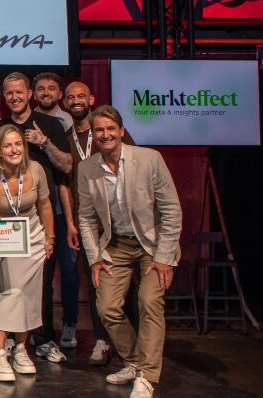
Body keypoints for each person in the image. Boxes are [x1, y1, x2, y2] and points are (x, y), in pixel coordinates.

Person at [78, 106, 180, 398]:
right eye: (99, 130)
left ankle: (147, 375)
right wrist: (94, 258)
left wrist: (164, 257)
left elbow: (171, 210)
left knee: (149, 301)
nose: (105, 135)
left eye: (111, 129)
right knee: (107, 307)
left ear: (121, 131)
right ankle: (134, 362)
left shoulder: (150, 159)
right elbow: (86, 218)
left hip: (152, 245)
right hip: (116, 245)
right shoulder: (87, 168)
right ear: (94, 135)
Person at [0, 72, 76, 363]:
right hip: (7, 218)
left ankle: (43, 339)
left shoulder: (50, 125)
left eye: (19, 92)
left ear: (29, 93)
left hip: (43, 215)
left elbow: (66, 166)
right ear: (4, 96)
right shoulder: (1, 128)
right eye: (9, 93)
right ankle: (10, 338)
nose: (15, 97)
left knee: (41, 281)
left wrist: (44, 143)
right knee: (9, 281)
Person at [0, 125, 55, 382]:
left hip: (34, 236)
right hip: (5, 238)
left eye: (18, 144)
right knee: (12, 291)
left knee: (30, 294)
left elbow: (45, 205)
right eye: (7, 145)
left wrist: (50, 238)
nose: (14, 149)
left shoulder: (36, 170)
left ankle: (20, 349)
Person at [65, 81, 137, 366]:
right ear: (65, 102)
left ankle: (132, 346)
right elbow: (63, 183)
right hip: (87, 222)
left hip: (118, 223)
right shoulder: (66, 136)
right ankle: (102, 340)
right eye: (71, 97)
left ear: (91, 99)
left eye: (81, 96)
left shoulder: (109, 133)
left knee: (130, 288)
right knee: (96, 283)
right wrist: (71, 222)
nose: (76, 101)